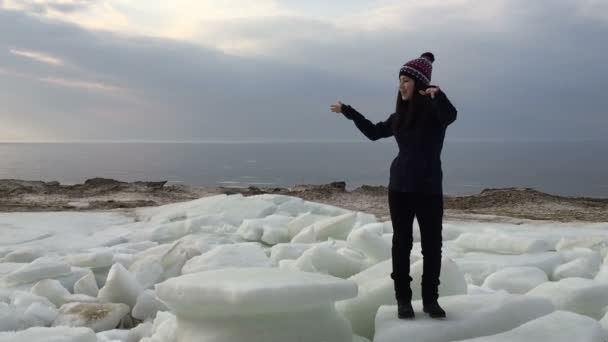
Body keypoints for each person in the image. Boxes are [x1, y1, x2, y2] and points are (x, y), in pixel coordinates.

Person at [329, 52, 457, 319]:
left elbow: (451, 115)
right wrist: (348, 112)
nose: (401, 85)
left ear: (420, 85)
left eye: (406, 80)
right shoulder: (398, 118)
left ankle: (431, 300)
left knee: (432, 246)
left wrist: (438, 95)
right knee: (402, 244)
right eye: (399, 80)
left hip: (430, 189)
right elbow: (374, 132)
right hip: (399, 188)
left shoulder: (435, 114)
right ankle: (403, 300)